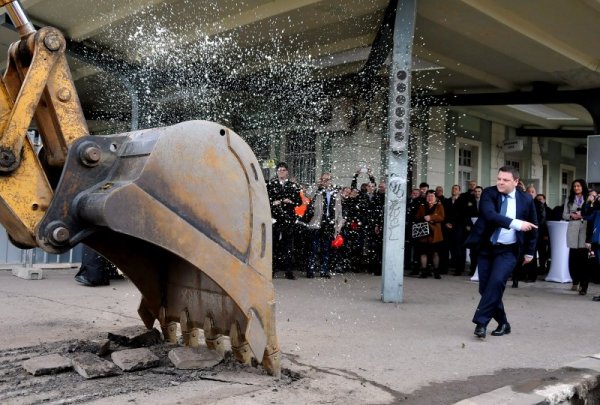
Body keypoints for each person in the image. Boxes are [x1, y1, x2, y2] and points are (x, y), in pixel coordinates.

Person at [465, 166, 538, 339]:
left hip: (508, 250)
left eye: (505, 180)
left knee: (496, 282)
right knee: (485, 288)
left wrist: (530, 252)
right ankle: (503, 322)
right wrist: (516, 223)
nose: (500, 182)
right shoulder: (489, 193)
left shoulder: (526, 199)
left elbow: (534, 226)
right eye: (499, 178)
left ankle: (481, 323)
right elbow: (490, 215)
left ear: (516, 182)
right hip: (486, 248)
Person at [305, 173, 344, 278]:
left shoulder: (335, 193)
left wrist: (338, 225)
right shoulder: (318, 191)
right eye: (323, 179)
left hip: (329, 223)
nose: (326, 181)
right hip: (317, 223)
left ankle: (324, 270)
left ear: (331, 180)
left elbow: (339, 211)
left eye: (327, 179)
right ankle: (310, 270)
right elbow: (308, 194)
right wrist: (316, 184)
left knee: (326, 249)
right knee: (314, 248)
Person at [267, 162, 302, 280]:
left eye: (283, 170)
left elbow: (299, 202)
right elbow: (266, 199)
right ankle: (271, 270)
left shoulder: (293, 185)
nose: (281, 172)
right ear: (276, 172)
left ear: (287, 172)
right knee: (273, 245)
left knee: (288, 246)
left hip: (288, 218)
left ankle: (289, 271)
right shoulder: (271, 184)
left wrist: (290, 202)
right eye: (279, 170)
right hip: (275, 218)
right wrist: (273, 203)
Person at [562, 179, 589, 294]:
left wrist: (582, 215)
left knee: (583, 258)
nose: (576, 188)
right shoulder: (569, 199)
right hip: (573, 229)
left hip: (585, 229)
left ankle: (584, 284)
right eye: (574, 186)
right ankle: (575, 280)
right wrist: (572, 216)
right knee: (573, 258)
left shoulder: (588, 198)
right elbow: (564, 215)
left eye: (578, 186)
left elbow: (592, 213)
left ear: (583, 187)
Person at [414, 190, 445, 279]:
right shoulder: (422, 206)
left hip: (435, 233)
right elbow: (417, 217)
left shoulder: (439, 206)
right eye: (428, 196)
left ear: (435, 197)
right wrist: (422, 219)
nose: (429, 198)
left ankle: (436, 271)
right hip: (424, 232)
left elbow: (442, 217)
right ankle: (424, 271)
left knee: (435, 253)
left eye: (431, 196)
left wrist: (431, 217)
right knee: (423, 252)